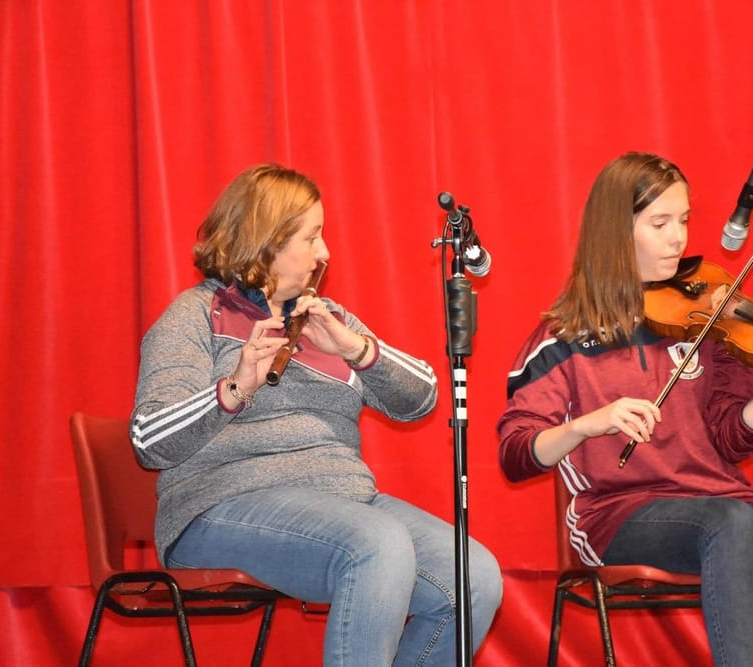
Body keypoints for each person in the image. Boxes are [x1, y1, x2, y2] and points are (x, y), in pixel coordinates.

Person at [131, 164, 502, 666]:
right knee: (377, 544)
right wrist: (235, 389)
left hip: (345, 503)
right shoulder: (195, 316)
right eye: (312, 237)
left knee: (474, 577)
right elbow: (149, 439)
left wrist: (357, 350)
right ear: (266, 240)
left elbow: (423, 398)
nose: (325, 253)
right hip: (217, 509)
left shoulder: (330, 319)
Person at [497, 152, 753, 666]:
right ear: (616, 232)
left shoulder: (708, 319)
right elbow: (516, 453)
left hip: (720, 502)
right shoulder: (563, 337)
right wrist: (585, 425)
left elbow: (734, 437)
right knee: (729, 523)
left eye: (684, 220)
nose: (679, 238)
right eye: (660, 223)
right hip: (617, 516)